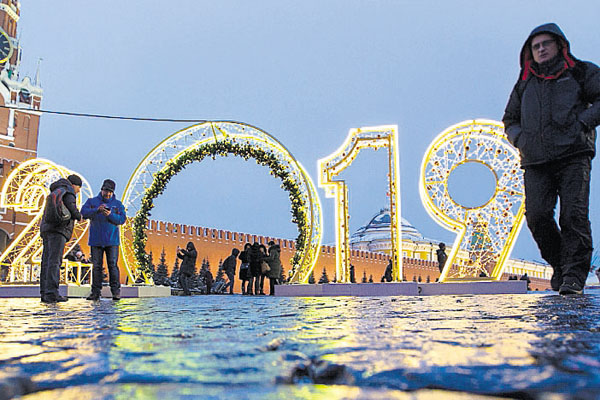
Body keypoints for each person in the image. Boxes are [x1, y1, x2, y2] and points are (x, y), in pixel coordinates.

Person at [503, 23, 600, 295]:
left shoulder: (581, 72)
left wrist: (583, 123)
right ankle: (561, 264)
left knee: (573, 216)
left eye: (546, 43)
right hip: (535, 160)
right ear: (529, 53)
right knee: (537, 216)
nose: (541, 49)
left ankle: (574, 276)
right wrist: (520, 140)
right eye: (536, 46)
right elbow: (509, 120)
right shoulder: (524, 84)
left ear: (559, 45)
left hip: (573, 154)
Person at [39, 174, 83, 303]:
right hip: (59, 229)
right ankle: (52, 293)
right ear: (74, 185)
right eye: (78, 188)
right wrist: (79, 216)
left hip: (47, 228)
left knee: (46, 261)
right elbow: (72, 209)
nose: (78, 191)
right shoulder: (68, 191)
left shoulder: (56, 189)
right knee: (55, 261)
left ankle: (45, 292)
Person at [81, 179, 126, 300]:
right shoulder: (92, 201)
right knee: (96, 266)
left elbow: (122, 219)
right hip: (96, 240)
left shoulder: (117, 204)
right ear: (102, 189)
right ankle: (95, 292)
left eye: (110, 192)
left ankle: (116, 292)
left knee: (113, 265)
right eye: (106, 191)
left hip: (112, 241)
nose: (108, 194)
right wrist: (97, 210)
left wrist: (110, 215)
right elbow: (83, 212)